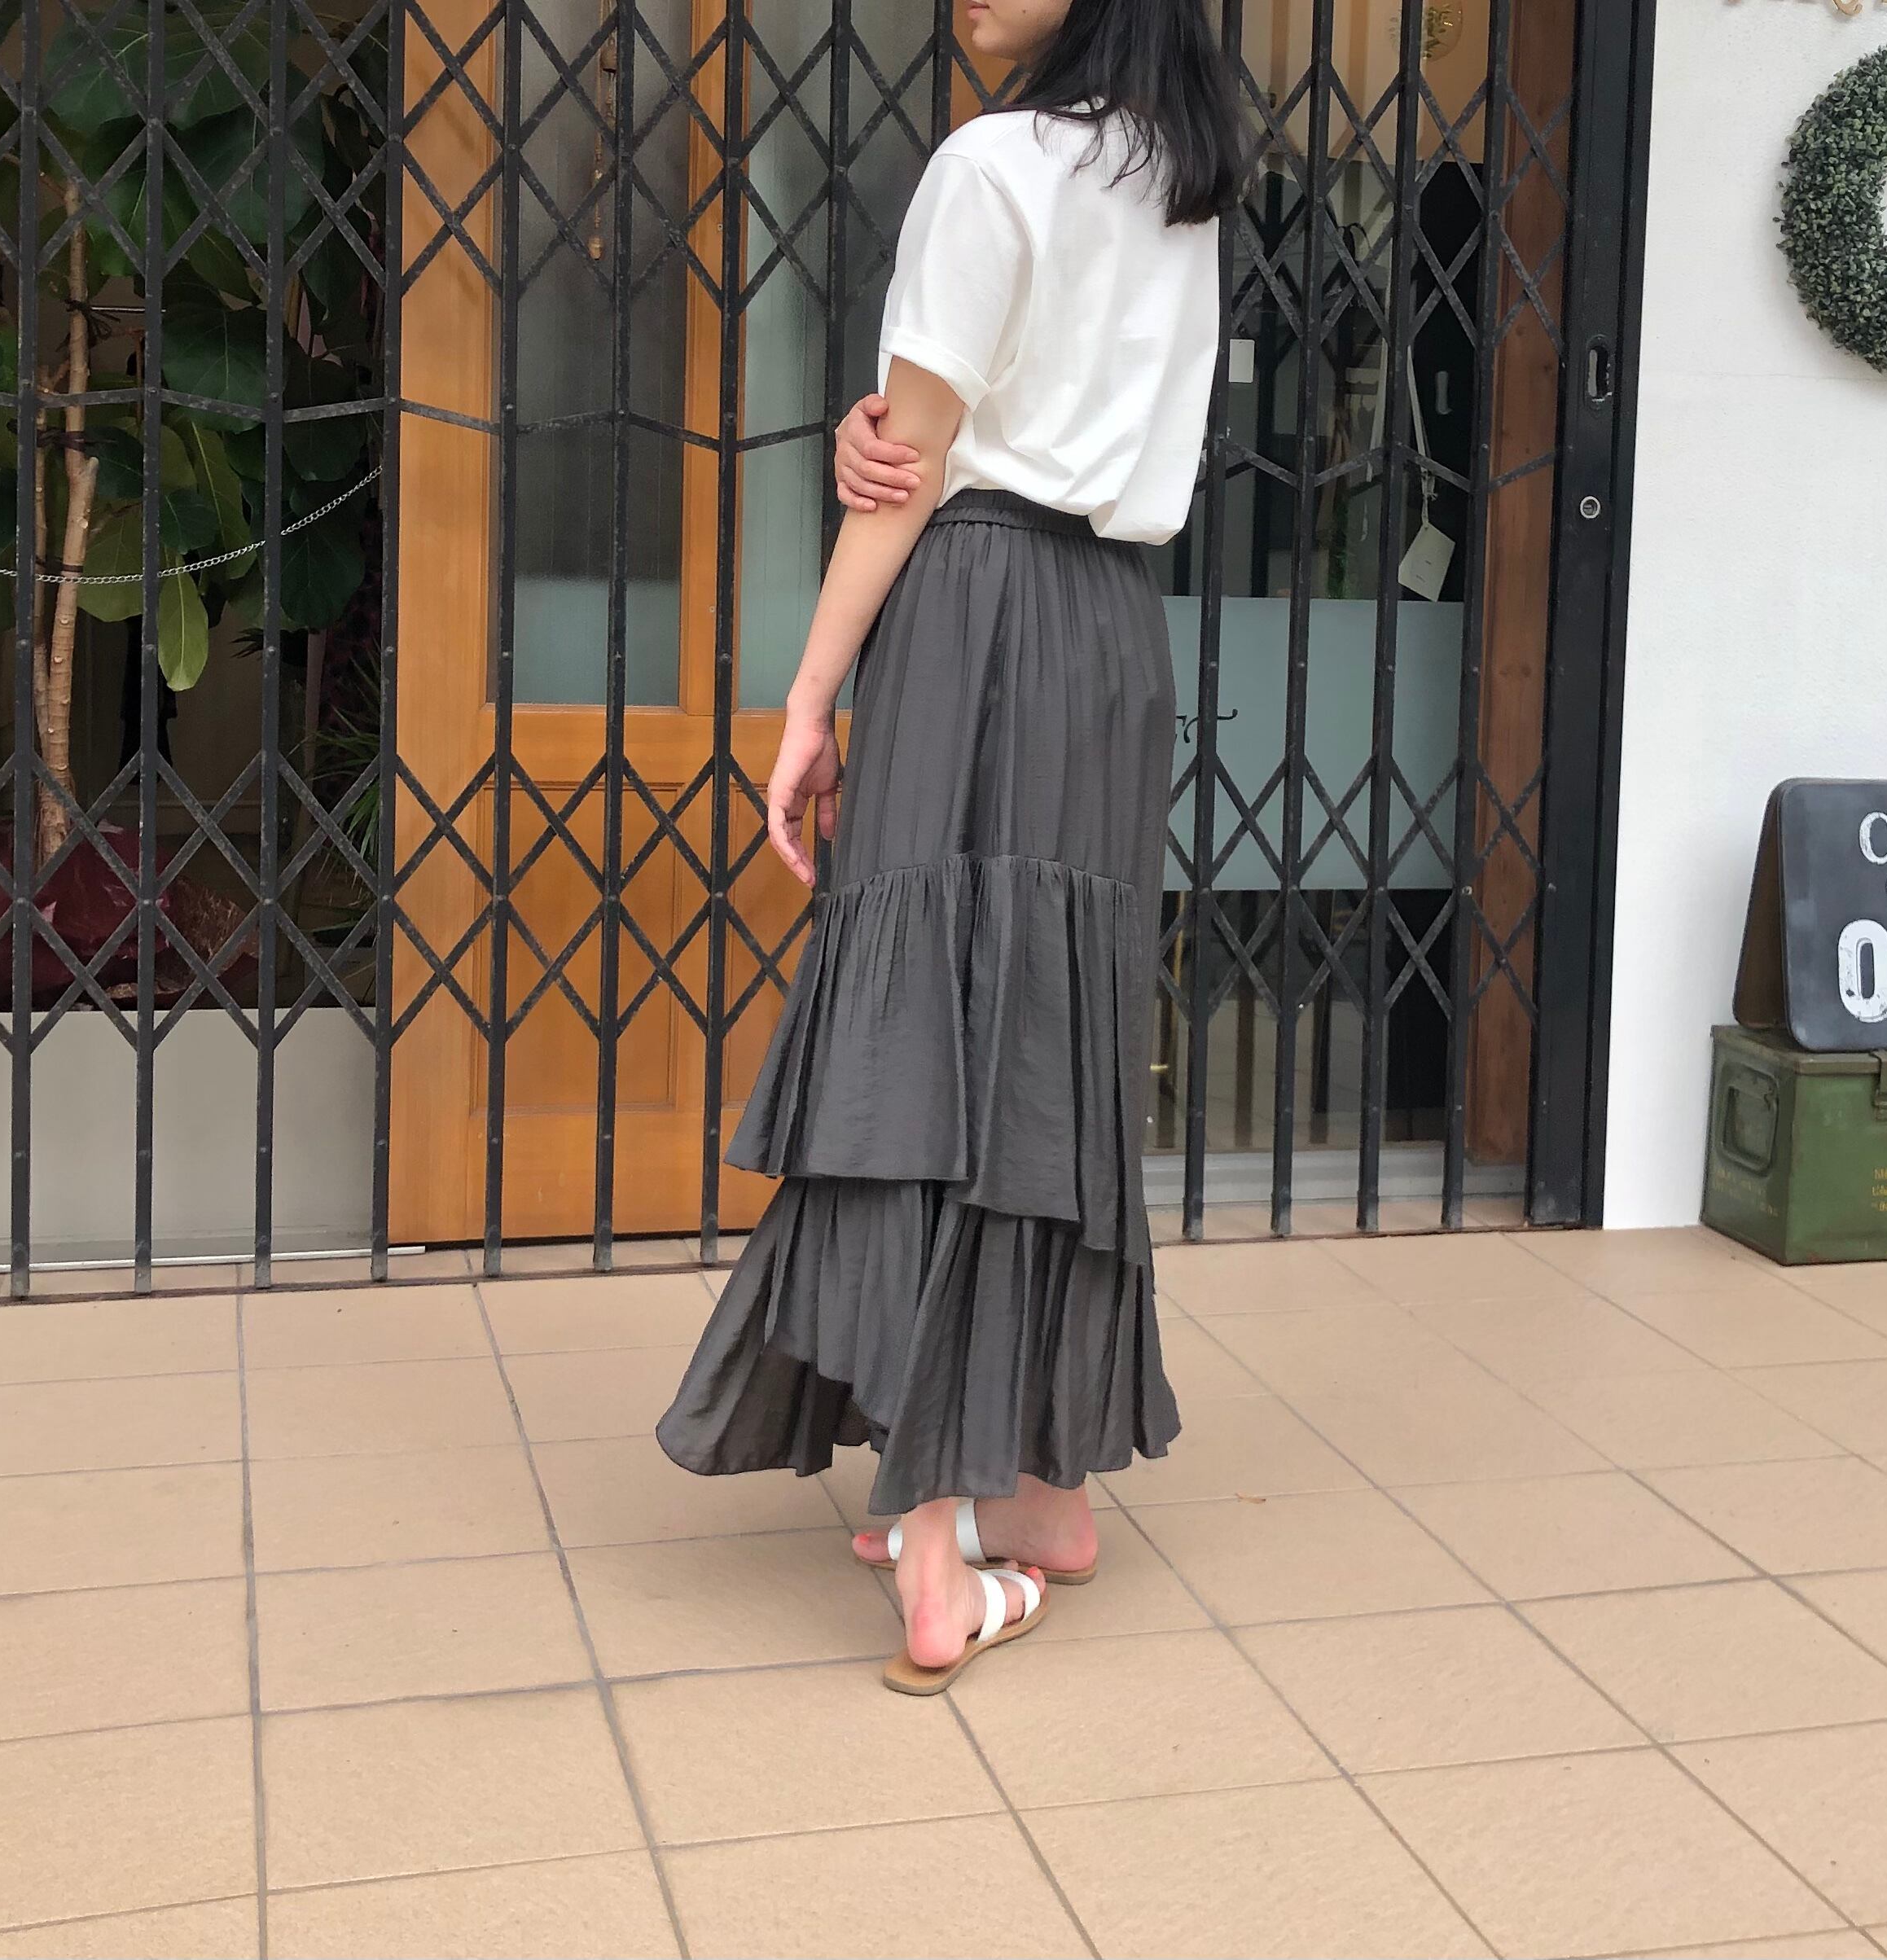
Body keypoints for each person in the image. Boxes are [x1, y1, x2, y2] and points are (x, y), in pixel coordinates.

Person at [656, 0, 1243, 1695]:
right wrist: (909, 436)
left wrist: (807, 698)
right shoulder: (1178, 184)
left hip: (978, 612)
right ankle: (1045, 1487)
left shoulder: (992, 165)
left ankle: (933, 1546)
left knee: (925, 1041)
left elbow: (903, 475)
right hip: (1110, 636)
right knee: (1048, 1040)